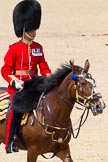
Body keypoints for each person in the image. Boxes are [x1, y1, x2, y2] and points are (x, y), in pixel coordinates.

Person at [1, 0, 51, 153]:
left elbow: (43, 66)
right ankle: (9, 142)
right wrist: (14, 82)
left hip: (34, 85)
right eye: (31, 28)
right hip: (18, 87)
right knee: (14, 109)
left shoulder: (38, 48)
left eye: (35, 28)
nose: (34, 31)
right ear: (24, 28)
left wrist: (49, 78)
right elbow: (5, 70)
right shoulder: (14, 49)